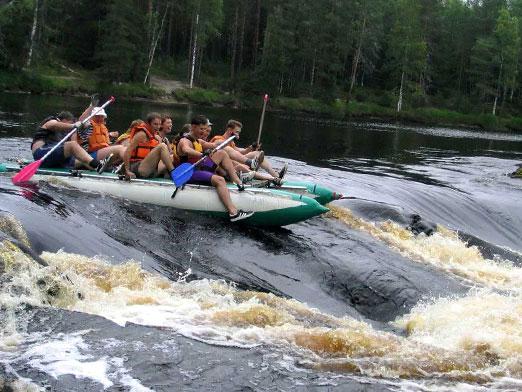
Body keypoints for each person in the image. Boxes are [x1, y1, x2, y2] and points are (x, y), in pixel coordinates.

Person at [176, 115, 254, 222]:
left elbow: (215, 144)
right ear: (193, 127)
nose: (203, 132)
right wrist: (201, 153)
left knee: (221, 153)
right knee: (220, 179)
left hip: (200, 168)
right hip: (188, 173)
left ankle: (237, 181)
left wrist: (231, 138)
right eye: (201, 129)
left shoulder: (198, 141)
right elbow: (186, 150)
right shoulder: (184, 141)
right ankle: (233, 213)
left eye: (205, 129)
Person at [210, 119, 288, 183]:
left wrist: (251, 148)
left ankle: (276, 175)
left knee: (257, 153)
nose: (238, 135)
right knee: (242, 165)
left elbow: (239, 152)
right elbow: (229, 154)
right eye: (237, 132)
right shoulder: (218, 139)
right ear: (230, 130)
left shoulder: (231, 142)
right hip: (228, 166)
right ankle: (270, 179)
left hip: (235, 163)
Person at [31, 109, 107, 171]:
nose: (67, 129)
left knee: (81, 159)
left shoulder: (66, 133)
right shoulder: (52, 121)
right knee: (72, 145)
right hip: (41, 154)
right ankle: (97, 165)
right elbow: (54, 125)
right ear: (63, 120)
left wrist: (77, 129)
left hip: (54, 158)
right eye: (68, 123)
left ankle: (100, 169)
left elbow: (74, 145)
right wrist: (73, 126)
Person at [123, 112, 175, 180]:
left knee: (171, 156)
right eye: (155, 124)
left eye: (159, 124)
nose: (158, 127)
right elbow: (128, 151)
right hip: (138, 168)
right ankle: (174, 173)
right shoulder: (141, 134)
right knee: (162, 146)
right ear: (148, 124)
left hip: (150, 169)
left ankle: (170, 175)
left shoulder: (155, 136)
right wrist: (127, 170)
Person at [77, 105, 126, 173]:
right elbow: (82, 121)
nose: (99, 118)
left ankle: (116, 167)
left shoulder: (103, 127)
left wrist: (110, 136)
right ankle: (127, 169)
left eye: (101, 116)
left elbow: (105, 144)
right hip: (90, 156)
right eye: (97, 116)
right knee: (120, 148)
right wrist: (91, 106)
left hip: (101, 154)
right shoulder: (88, 125)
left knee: (125, 147)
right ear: (91, 117)